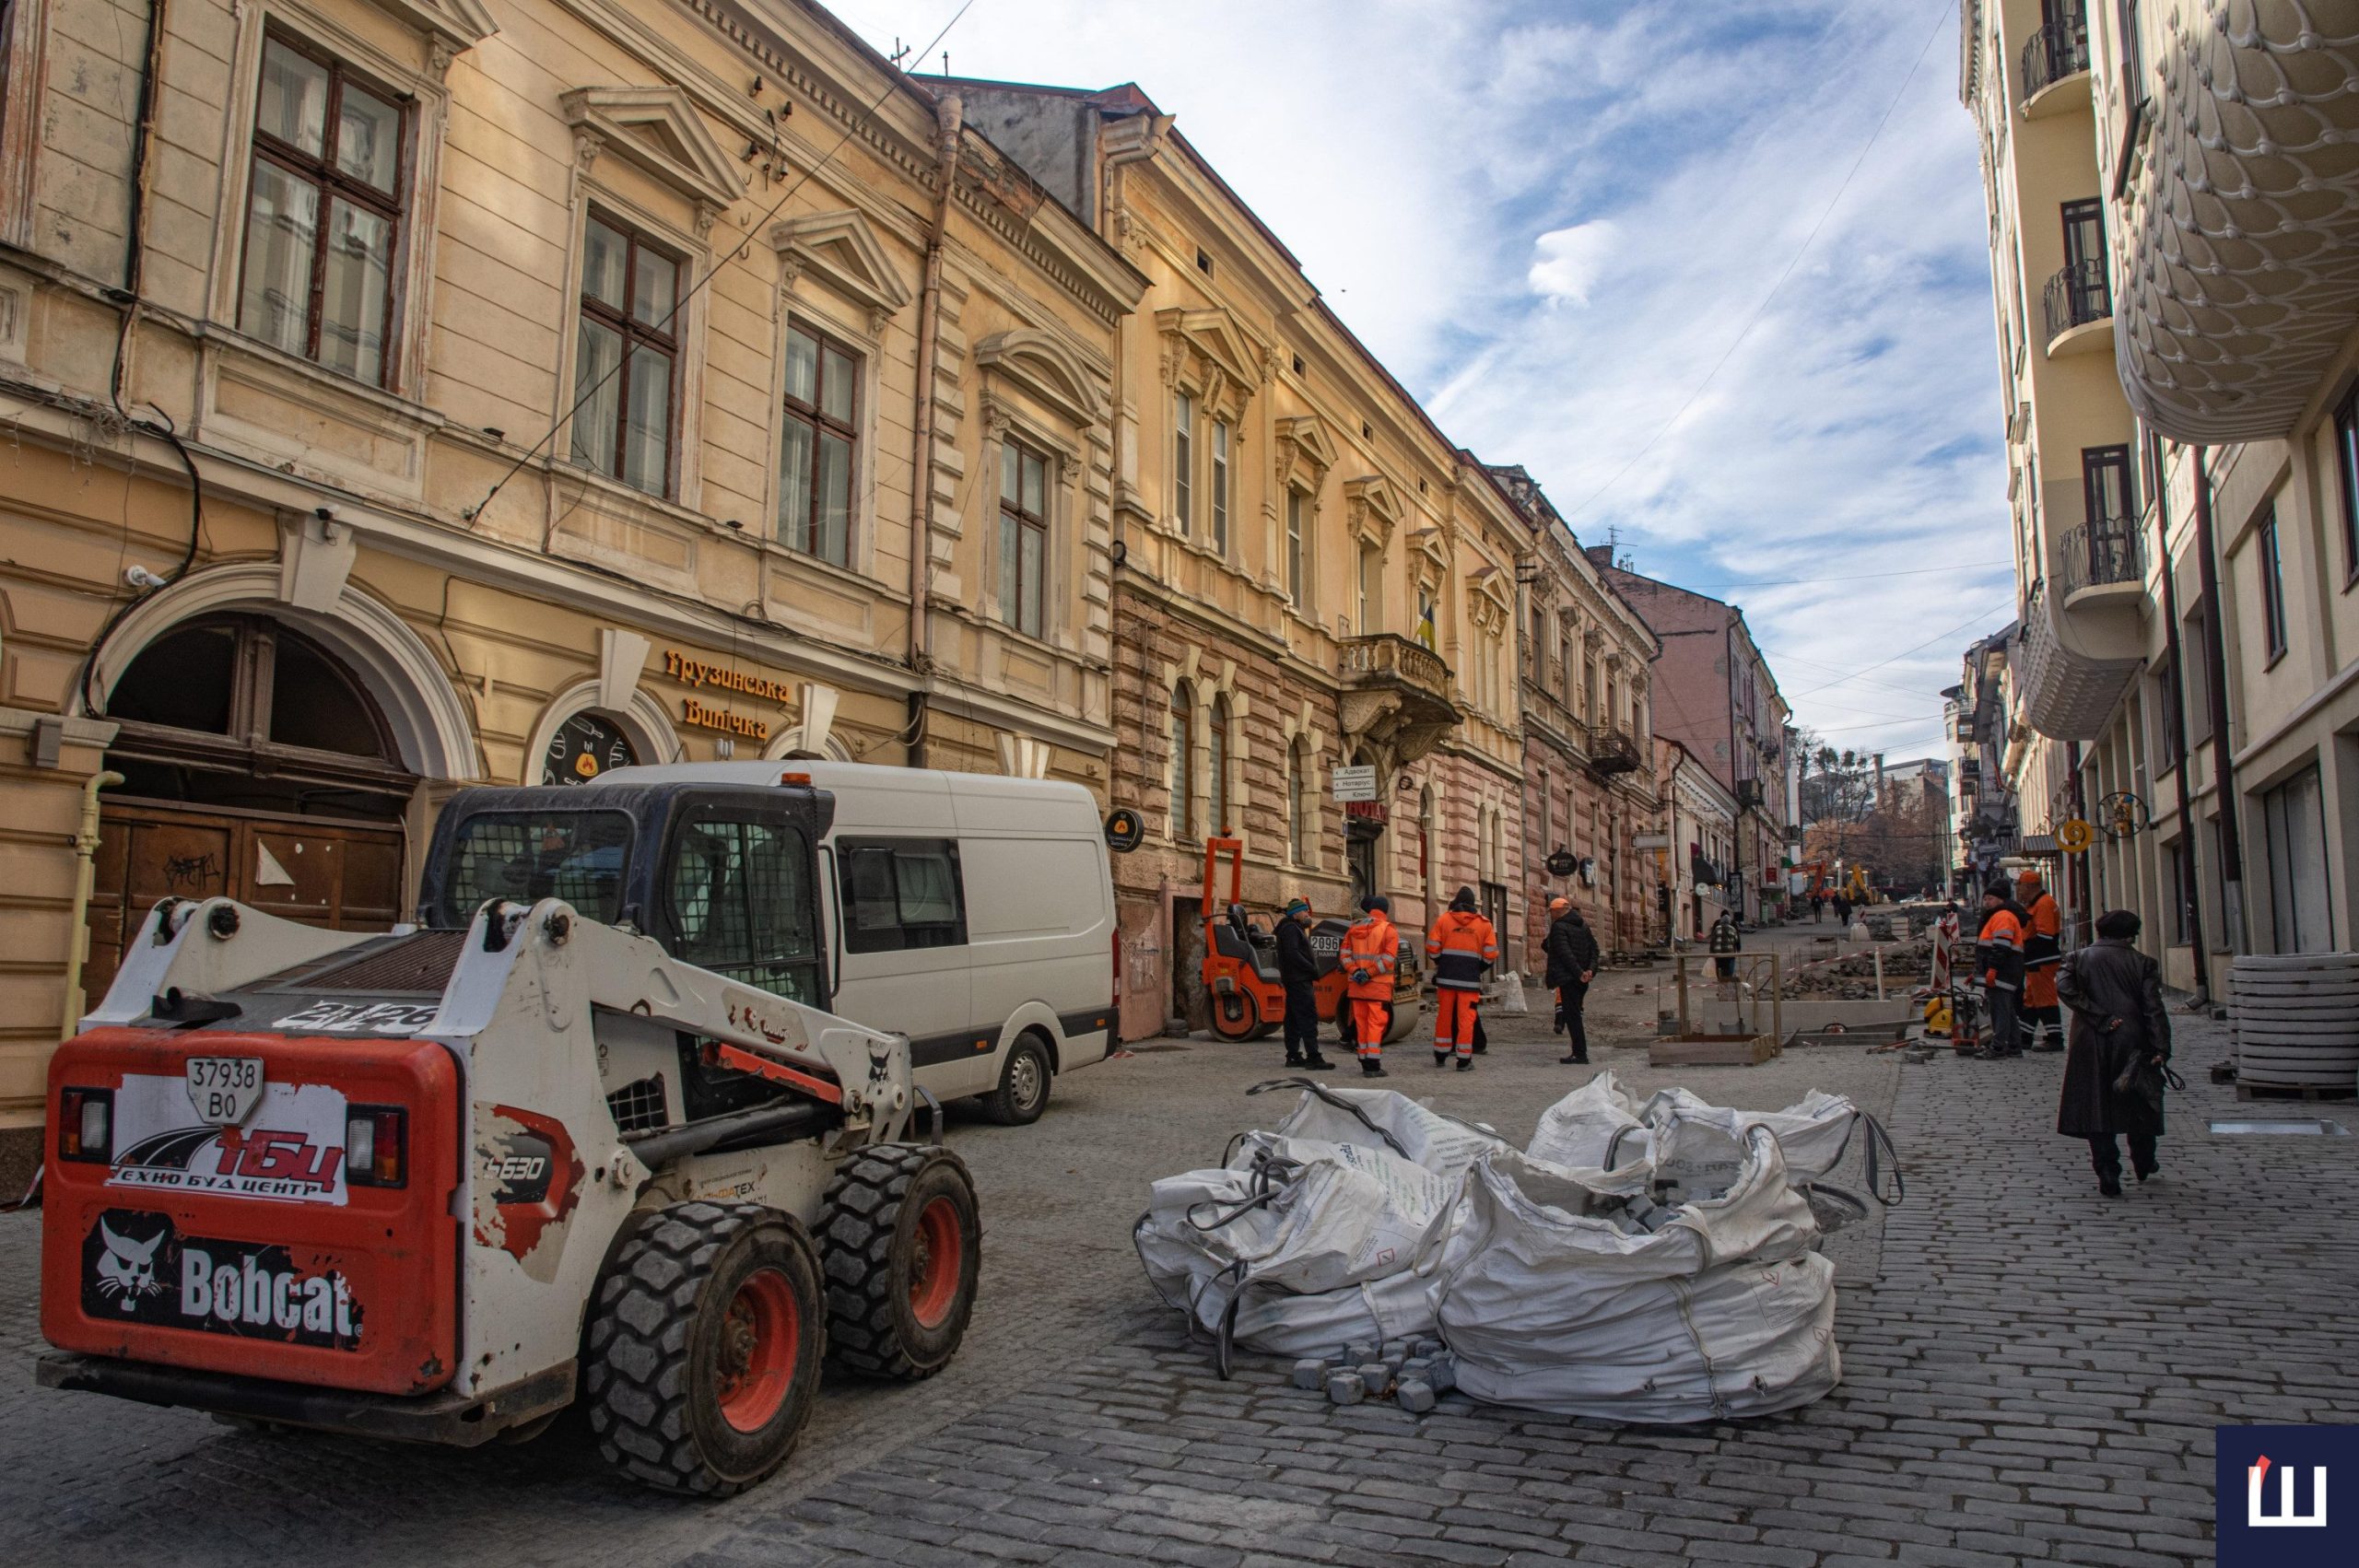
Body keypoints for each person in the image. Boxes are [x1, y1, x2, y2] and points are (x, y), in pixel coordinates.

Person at [2055, 909, 2172, 1197]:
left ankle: (2107, 1169)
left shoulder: (2078, 958)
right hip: (2134, 1040)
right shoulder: (2142, 962)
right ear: (2131, 934)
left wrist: (2098, 1016)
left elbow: (2065, 989)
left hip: (2090, 1040)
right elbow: (2152, 1008)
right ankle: (2143, 1160)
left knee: (2098, 1104)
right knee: (2141, 1100)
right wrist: (2161, 1047)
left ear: (2099, 931)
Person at [1426, 886, 1498, 1071]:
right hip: (1469, 981)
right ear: (1474, 904)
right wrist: (1478, 968)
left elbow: (1432, 947)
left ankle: (1440, 1055)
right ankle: (1464, 1060)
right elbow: (1491, 954)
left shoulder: (1444, 920)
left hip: (1446, 979)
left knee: (1444, 1016)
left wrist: (1442, 963)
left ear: (1457, 902)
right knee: (1466, 1020)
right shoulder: (1484, 924)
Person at [1339, 895, 1398, 1078]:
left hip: (1357, 988)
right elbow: (1388, 959)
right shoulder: (1388, 930)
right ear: (1385, 911)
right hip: (1377, 987)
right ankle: (1373, 1065)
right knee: (1375, 1025)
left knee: (1362, 1024)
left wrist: (1356, 971)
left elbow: (1344, 955)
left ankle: (1364, 1061)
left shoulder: (1354, 927)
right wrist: (1369, 973)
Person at [1274, 897, 1335, 1071]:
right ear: (1296, 913)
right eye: (1305, 911)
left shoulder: (1290, 928)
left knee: (1293, 1018)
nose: (1307, 914)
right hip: (1299, 979)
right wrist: (1311, 969)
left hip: (1295, 979)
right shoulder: (1291, 929)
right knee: (1308, 1017)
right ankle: (1313, 1057)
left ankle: (1293, 1055)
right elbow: (1293, 954)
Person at [1543, 896, 1600, 1065]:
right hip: (1581, 979)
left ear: (1557, 911)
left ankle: (1580, 1054)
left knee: (1572, 1016)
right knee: (1575, 1013)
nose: (1551, 915)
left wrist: (1579, 973)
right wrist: (1590, 970)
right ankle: (1579, 1052)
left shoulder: (1559, 927)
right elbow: (1594, 949)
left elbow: (1565, 953)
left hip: (1569, 978)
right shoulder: (1583, 924)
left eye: (1552, 911)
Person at [1976, 883, 2026, 1059]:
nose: (1986, 902)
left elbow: (2001, 947)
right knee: (2007, 1009)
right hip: (2006, 970)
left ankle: (1998, 1047)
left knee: (2000, 1009)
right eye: (1985, 899)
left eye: (1990, 899)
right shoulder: (1999, 916)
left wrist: (1992, 969)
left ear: (2001, 900)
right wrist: (1978, 973)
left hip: (2003, 970)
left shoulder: (2002, 917)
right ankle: (2014, 1046)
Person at [2016, 869, 2065, 1052]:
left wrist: (2025, 950)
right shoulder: (2036, 904)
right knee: (2031, 1000)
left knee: (2044, 998)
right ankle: (2025, 1038)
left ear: (2029, 887)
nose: (2019, 891)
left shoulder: (2043, 904)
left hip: (2041, 959)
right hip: (2036, 960)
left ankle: (2055, 1038)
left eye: (2020, 886)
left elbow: (2045, 936)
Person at [1708, 907, 1742, 981]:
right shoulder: (1733, 927)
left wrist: (1711, 952)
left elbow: (1712, 940)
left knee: (1719, 969)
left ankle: (1721, 983)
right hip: (1730, 953)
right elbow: (1737, 938)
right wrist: (1738, 948)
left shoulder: (1717, 926)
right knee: (1729, 970)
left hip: (1718, 954)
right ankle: (1728, 983)